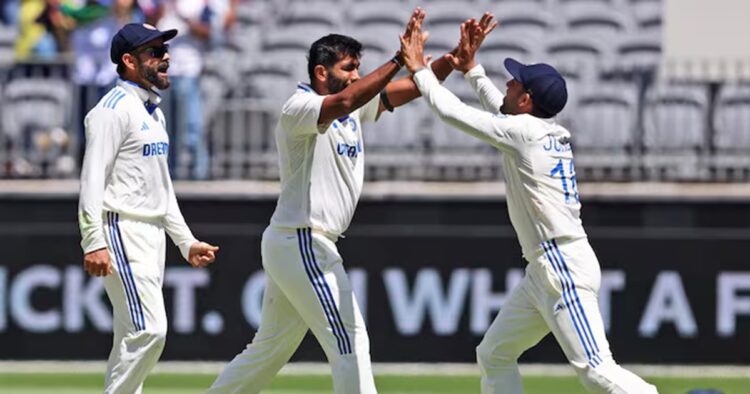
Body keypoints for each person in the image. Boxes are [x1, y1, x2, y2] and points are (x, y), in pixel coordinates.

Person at [207, 8, 469, 394]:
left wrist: (452, 61)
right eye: (348, 68)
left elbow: (408, 90)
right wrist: (399, 60)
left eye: (357, 68)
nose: (355, 76)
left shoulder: (353, 106)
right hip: (303, 239)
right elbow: (345, 102)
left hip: (302, 241)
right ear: (320, 72)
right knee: (350, 339)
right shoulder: (299, 108)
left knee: (268, 350)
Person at [398, 13, 659, 394]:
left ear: (526, 99)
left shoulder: (522, 132)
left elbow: (451, 112)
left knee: (597, 371)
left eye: (515, 81)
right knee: (494, 354)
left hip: (560, 265)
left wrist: (420, 69)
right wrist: (472, 70)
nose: (507, 82)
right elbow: (501, 112)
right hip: (548, 266)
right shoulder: (546, 130)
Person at [78, 23, 219, 394]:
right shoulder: (110, 110)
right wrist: (93, 240)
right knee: (149, 330)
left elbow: (162, 187)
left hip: (151, 234)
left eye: (164, 50)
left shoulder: (154, 113)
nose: (166, 57)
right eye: (155, 52)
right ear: (128, 61)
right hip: (120, 230)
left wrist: (185, 241)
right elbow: (92, 180)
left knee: (130, 336)